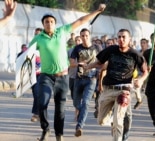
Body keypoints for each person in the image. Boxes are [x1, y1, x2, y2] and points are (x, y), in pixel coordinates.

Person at [28, 4, 106, 141]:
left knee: (60, 108)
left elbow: (81, 21)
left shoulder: (62, 31)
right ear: (43, 24)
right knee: (42, 102)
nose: (49, 23)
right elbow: (27, 56)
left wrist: (97, 11)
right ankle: (45, 130)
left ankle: (59, 134)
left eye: (52, 21)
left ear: (55, 24)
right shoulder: (38, 38)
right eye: (46, 21)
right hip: (46, 76)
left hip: (62, 77)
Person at [85, 29, 148, 141]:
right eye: (119, 37)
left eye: (124, 37)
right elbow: (99, 63)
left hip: (123, 91)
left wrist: (141, 80)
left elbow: (145, 71)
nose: (121, 39)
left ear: (129, 39)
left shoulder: (135, 54)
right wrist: (87, 67)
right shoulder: (111, 50)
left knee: (119, 121)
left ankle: (118, 134)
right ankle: (112, 121)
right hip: (108, 89)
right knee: (101, 120)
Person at [69, 28, 100, 137]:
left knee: (86, 102)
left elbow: (102, 62)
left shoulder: (97, 48)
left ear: (90, 36)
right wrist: (78, 64)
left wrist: (94, 68)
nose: (84, 37)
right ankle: (81, 114)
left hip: (91, 79)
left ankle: (79, 126)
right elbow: (71, 63)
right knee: (76, 103)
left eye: (86, 35)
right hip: (78, 78)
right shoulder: (77, 48)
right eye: (82, 36)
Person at [68, 35, 82, 121]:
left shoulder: (85, 51)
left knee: (78, 95)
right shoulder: (70, 51)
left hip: (81, 76)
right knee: (73, 95)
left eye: (79, 40)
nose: (77, 42)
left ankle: (77, 112)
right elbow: (66, 62)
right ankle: (77, 107)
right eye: (76, 40)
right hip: (72, 75)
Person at [30, 28, 42, 122]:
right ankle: (40, 112)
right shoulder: (31, 47)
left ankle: (36, 114)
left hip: (44, 74)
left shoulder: (46, 47)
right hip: (33, 75)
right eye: (35, 34)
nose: (36, 36)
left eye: (38, 34)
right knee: (36, 94)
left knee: (39, 94)